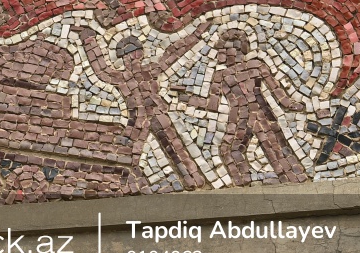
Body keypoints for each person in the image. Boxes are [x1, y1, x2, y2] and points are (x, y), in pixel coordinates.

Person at [76, 21, 212, 191]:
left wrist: (196, 34)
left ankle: (192, 177)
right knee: (135, 152)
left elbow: (174, 52)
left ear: (138, 55)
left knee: (174, 145)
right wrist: (89, 41)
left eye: (133, 55)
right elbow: (101, 69)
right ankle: (127, 181)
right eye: (127, 56)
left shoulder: (148, 71)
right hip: (137, 122)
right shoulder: (122, 77)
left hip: (155, 114)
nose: (131, 59)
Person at [178, 28, 307, 186]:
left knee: (273, 148)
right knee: (231, 150)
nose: (225, 55)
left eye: (227, 50)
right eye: (223, 51)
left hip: (256, 115)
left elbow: (277, 91)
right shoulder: (223, 75)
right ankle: (246, 182)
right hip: (242, 118)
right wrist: (185, 98)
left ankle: (290, 179)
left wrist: (292, 105)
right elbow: (212, 104)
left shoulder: (254, 66)